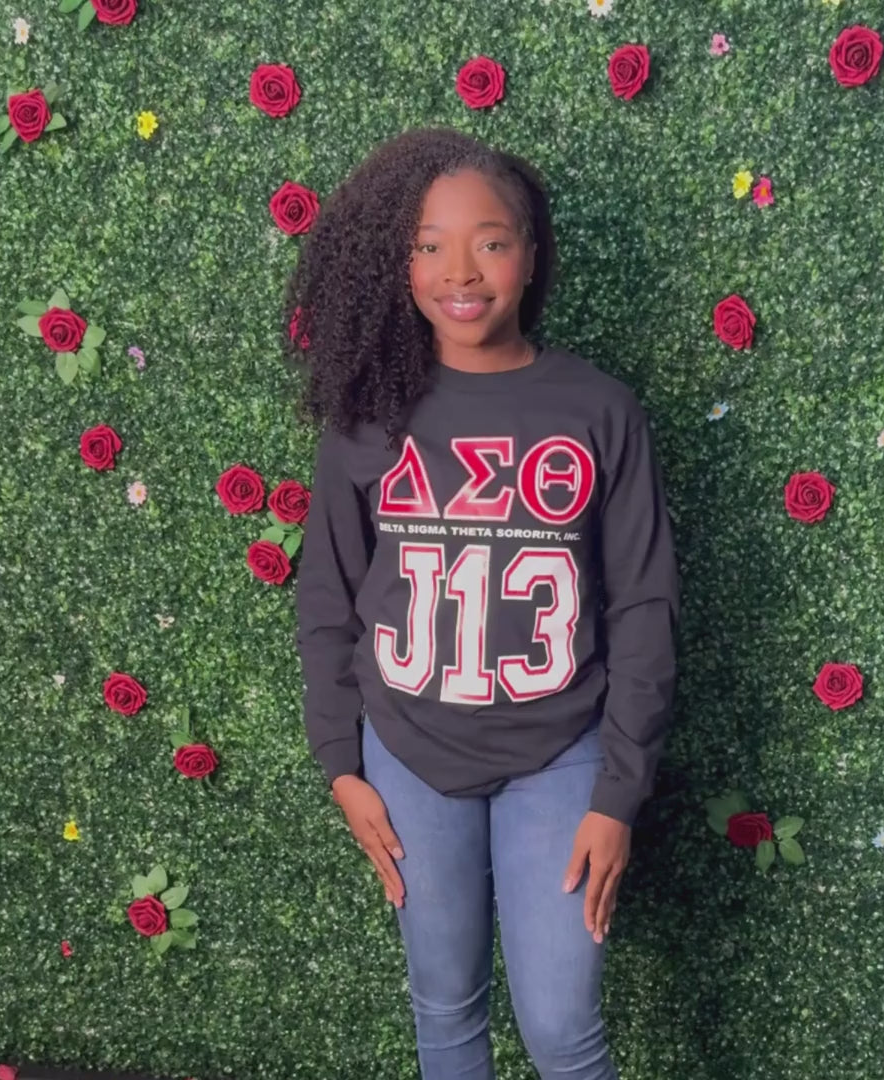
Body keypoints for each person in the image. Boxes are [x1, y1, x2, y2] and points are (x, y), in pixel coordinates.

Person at [288, 126, 678, 1080]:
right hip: (409, 753)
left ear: (531, 254)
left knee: (562, 1030)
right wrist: (342, 764)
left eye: (490, 241)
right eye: (428, 245)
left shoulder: (599, 409)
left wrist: (617, 792)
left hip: (562, 753)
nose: (459, 271)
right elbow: (329, 596)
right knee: (446, 1011)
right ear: (398, 262)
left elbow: (643, 603)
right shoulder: (367, 418)